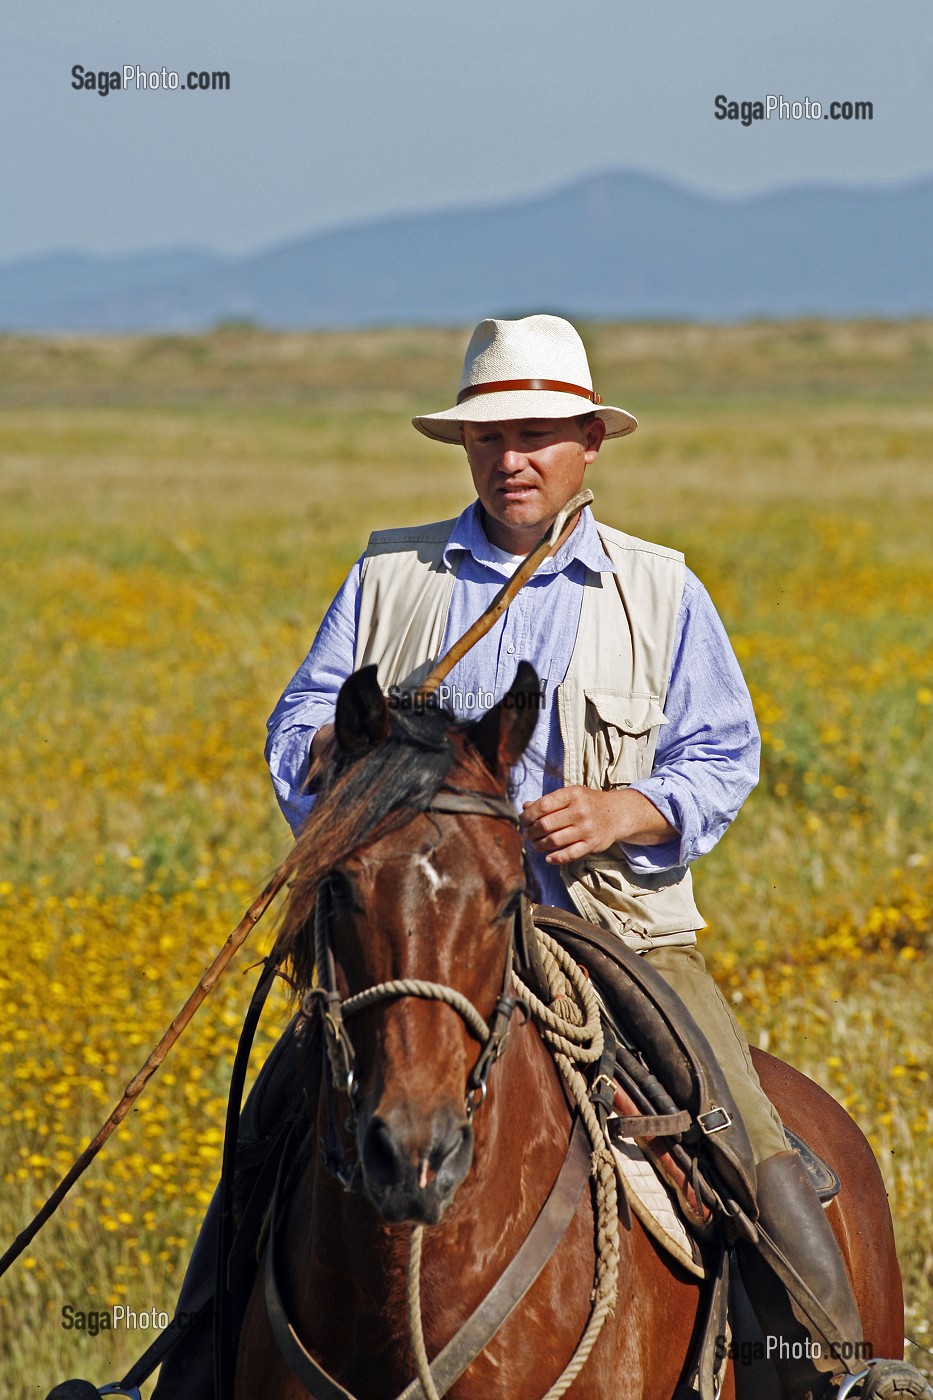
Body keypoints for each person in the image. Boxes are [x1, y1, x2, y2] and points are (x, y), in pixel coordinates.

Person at [153, 314, 861, 1400]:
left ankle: (841, 1367)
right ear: (465, 450)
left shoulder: (659, 589)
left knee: (747, 1136)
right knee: (269, 1133)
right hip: (413, 932)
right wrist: (350, 775)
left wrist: (631, 808)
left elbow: (726, 749)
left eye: (537, 435)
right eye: (490, 437)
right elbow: (298, 722)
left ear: (589, 443)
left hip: (614, 930)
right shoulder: (390, 575)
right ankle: (189, 1365)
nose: (512, 458)